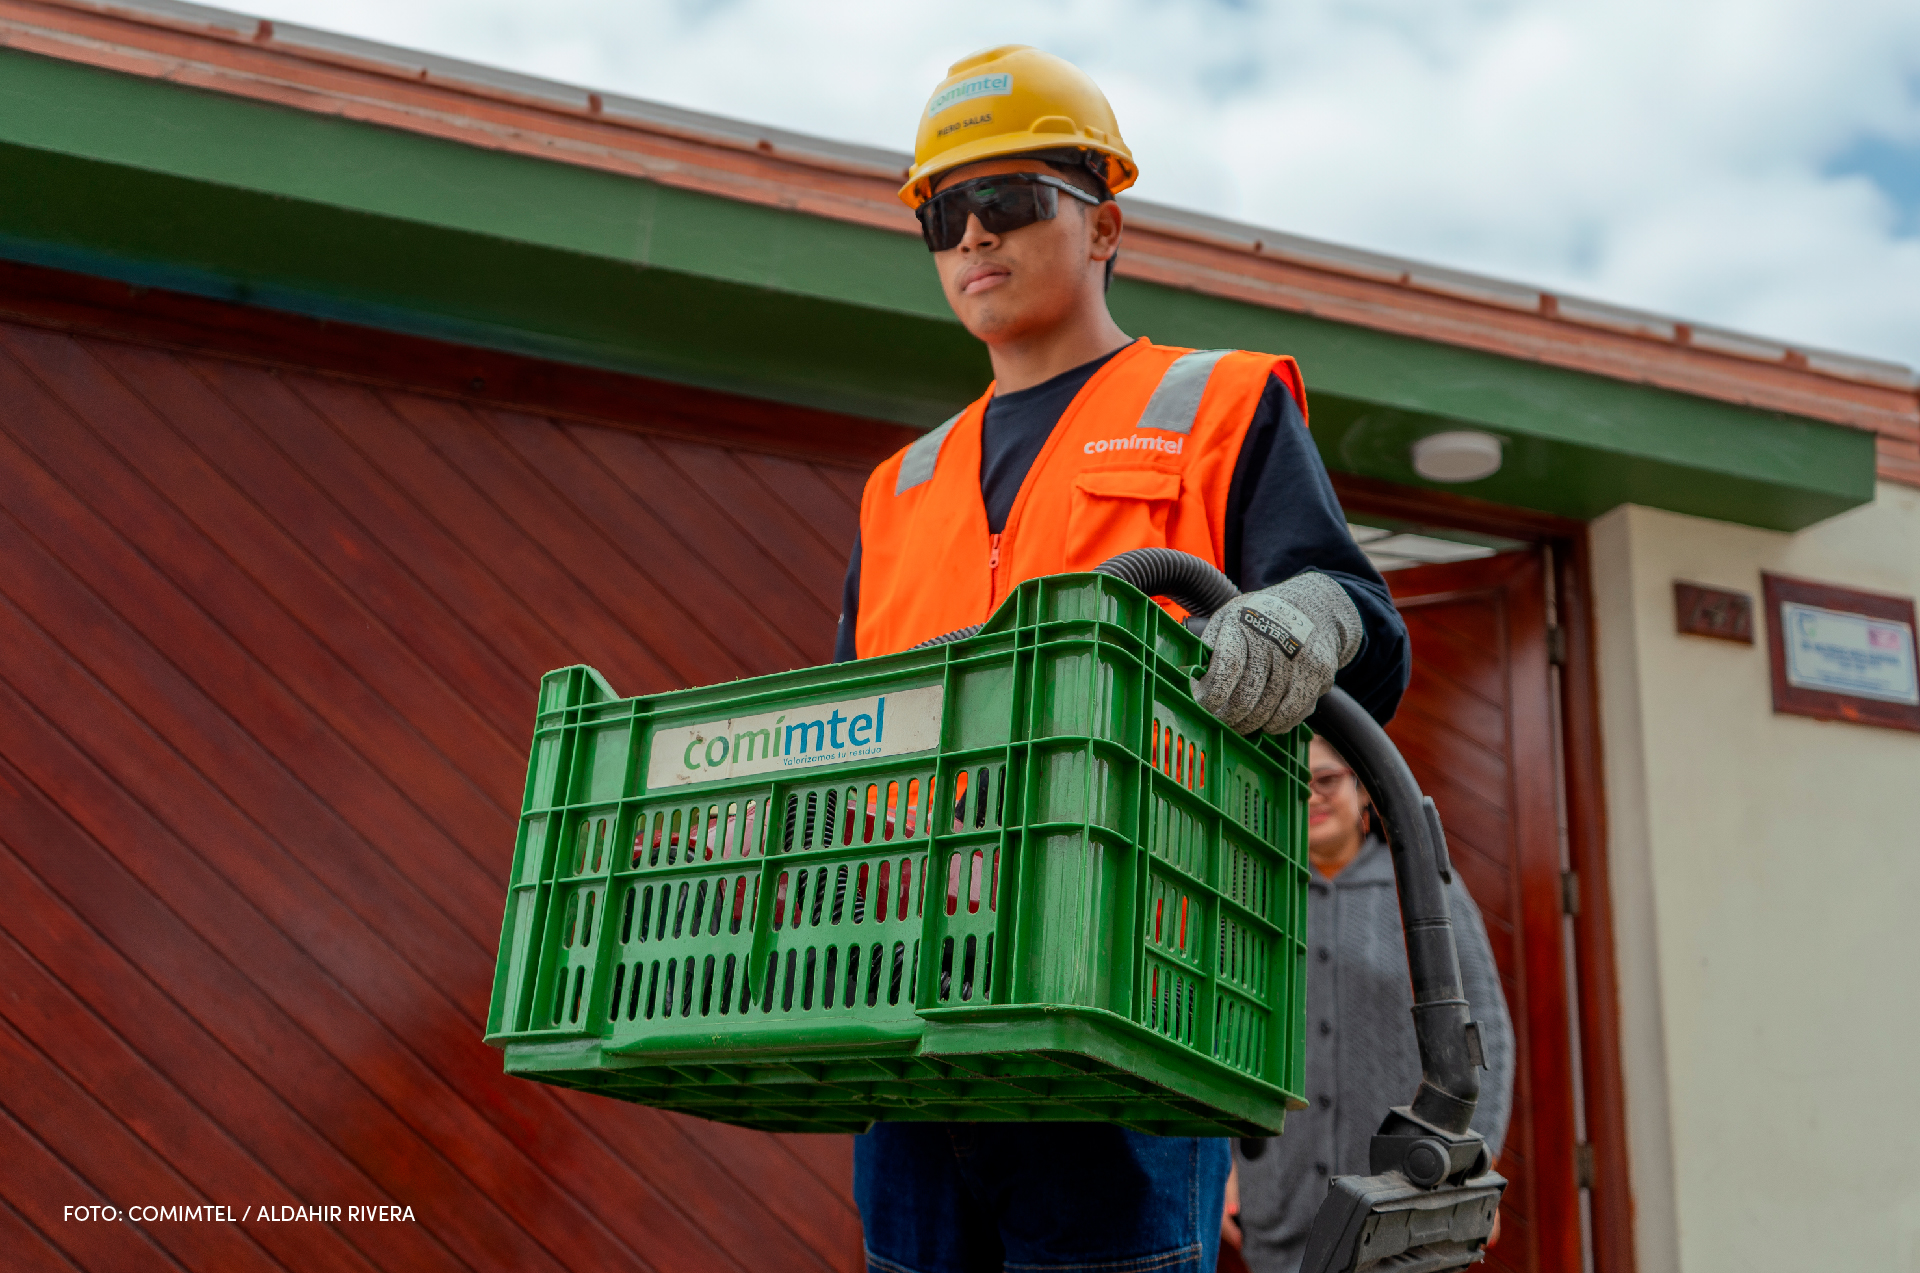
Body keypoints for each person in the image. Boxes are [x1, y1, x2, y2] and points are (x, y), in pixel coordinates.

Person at [839, 44, 1412, 1273]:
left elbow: (1365, 625)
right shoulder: (902, 488)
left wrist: (1306, 616)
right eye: (944, 212)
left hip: (1135, 1009)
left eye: (1011, 201)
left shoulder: (1215, 402)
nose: (973, 237)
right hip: (917, 1020)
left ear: (1103, 222)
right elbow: (854, 724)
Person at [1224, 735, 1515, 1272]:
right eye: (1296, 785)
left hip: (1407, 1206)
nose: (1312, 797)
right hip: (1279, 1209)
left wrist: (1478, 1158)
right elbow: (1220, 1030)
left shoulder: (1426, 892)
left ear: (1362, 790)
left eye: (1327, 780)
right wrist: (1223, 1169)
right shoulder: (1252, 896)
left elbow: (1487, 1029)